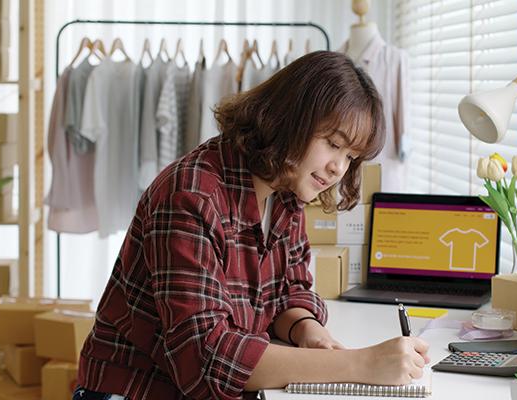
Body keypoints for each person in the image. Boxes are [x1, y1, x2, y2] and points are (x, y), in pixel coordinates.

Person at [73, 51, 430, 400]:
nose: (339, 167)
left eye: (350, 156)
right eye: (333, 144)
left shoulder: (286, 191)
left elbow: (292, 289)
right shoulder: (191, 195)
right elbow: (206, 360)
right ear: (290, 118)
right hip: (132, 391)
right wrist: (359, 364)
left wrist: (307, 329)